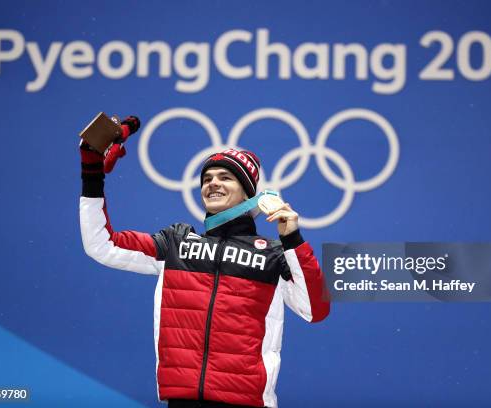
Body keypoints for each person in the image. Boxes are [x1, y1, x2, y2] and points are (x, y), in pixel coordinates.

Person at [79, 118, 330, 408]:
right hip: (181, 400)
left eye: (225, 177)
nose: (213, 183)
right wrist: (92, 174)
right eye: (207, 178)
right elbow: (102, 245)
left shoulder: (273, 255)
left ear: (249, 194)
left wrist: (293, 241)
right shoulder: (177, 243)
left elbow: (315, 309)